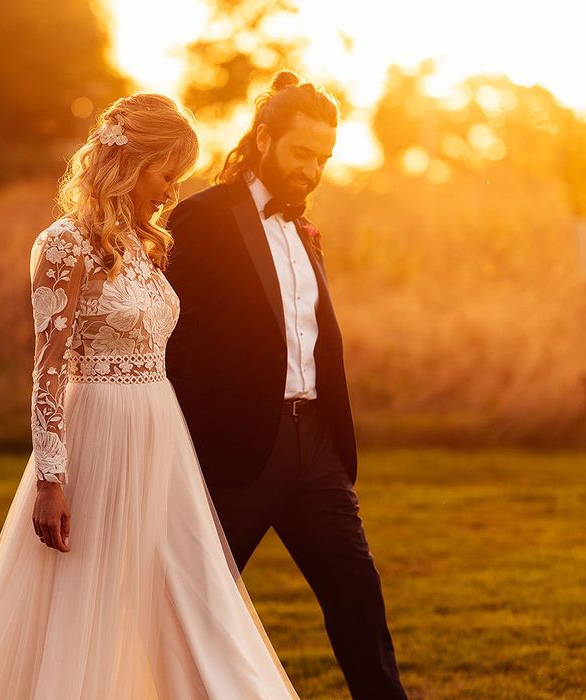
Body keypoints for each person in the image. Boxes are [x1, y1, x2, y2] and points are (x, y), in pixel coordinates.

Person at [0, 93, 298, 699]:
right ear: (128, 164)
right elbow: (47, 370)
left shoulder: (142, 244)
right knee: (90, 591)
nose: (170, 192)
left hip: (160, 428)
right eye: (164, 174)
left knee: (182, 587)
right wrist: (51, 478)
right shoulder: (64, 245)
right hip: (96, 430)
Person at [165, 70, 408, 699]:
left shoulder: (304, 228)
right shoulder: (201, 218)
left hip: (316, 452)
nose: (313, 169)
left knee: (358, 597)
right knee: (193, 608)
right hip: (236, 453)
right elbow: (169, 339)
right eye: (302, 152)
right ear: (265, 136)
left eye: (324, 157)